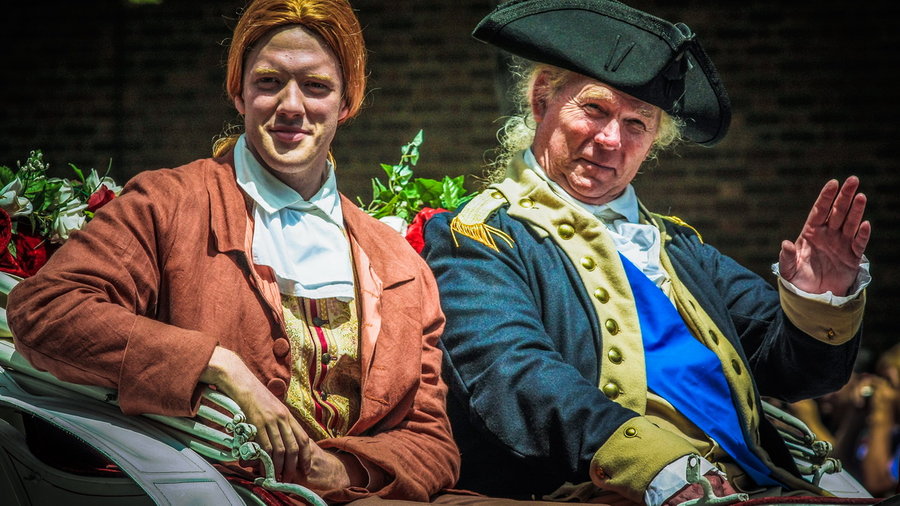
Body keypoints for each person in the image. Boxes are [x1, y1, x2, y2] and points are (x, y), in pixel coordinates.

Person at [5, 0, 460, 503]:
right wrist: (218, 363)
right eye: (268, 82)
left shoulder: (397, 264)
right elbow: (45, 311)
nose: (291, 105)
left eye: (316, 86)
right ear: (238, 93)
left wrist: (338, 471)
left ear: (347, 103)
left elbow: (432, 441)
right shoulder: (168, 205)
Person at [422, 0, 871, 504]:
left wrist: (819, 296)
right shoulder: (480, 235)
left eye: (638, 123)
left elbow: (797, 374)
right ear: (542, 98)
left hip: (753, 483)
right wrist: (657, 466)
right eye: (594, 109)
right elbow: (514, 375)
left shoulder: (681, 246)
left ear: (655, 139)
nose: (611, 140)